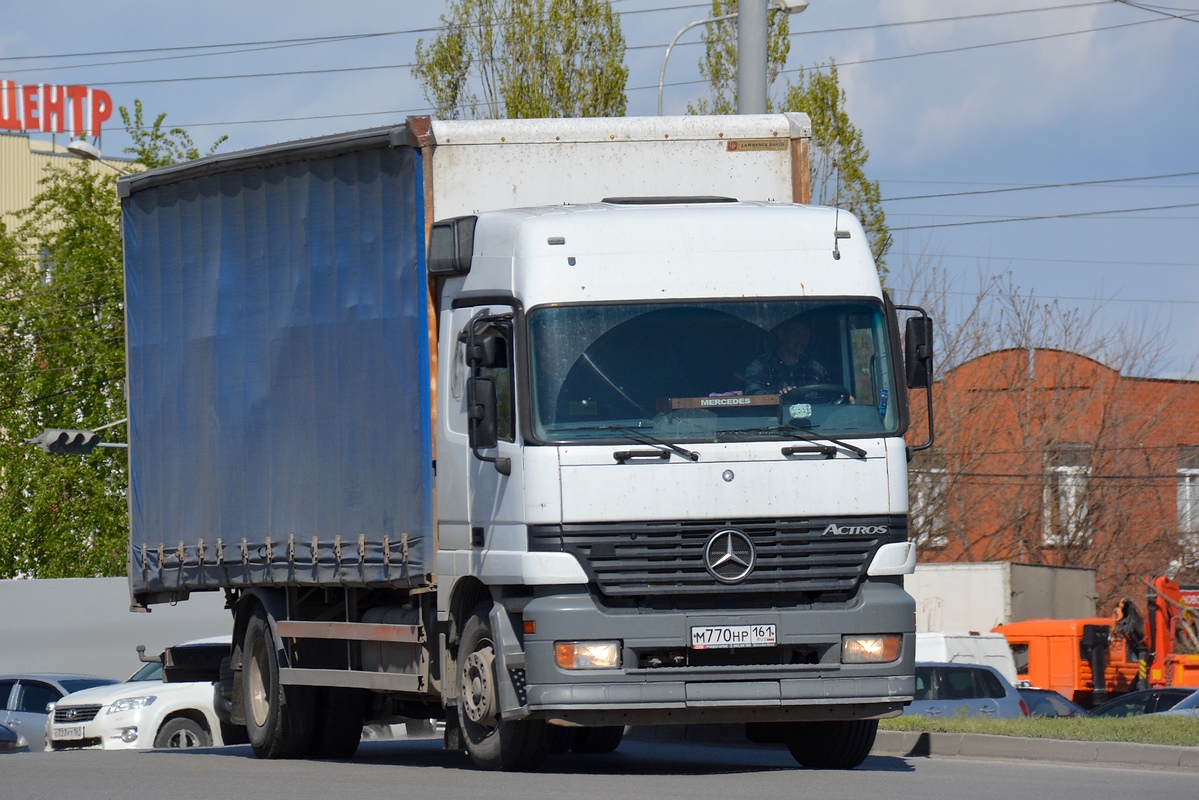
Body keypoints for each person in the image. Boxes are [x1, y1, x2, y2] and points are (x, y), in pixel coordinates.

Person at [744, 316, 830, 396]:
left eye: (805, 336)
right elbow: (752, 394)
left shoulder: (816, 369)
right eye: (797, 335)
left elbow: (831, 398)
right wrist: (779, 395)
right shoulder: (759, 367)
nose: (801, 340)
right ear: (781, 335)